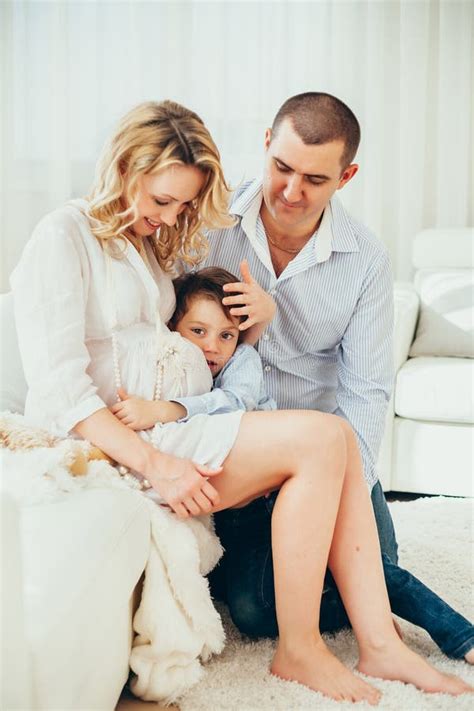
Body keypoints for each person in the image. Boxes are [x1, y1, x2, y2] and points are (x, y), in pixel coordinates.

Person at [10, 100, 470, 703]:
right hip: (131, 440)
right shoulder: (68, 234)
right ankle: (302, 649)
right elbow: (60, 390)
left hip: (185, 427)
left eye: (181, 205)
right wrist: (161, 463)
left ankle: (378, 644)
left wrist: (249, 348)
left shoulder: (148, 242)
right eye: (162, 201)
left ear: (344, 178)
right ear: (124, 168)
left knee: (336, 441)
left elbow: (359, 391)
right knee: (287, 528)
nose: (172, 218)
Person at [203, 92, 474, 664]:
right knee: (255, 613)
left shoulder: (366, 260)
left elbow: (367, 393)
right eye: (282, 168)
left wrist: (335, 493)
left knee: (371, 568)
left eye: (315, 179)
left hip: (331, 449)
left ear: (346, 176)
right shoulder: (208, 223)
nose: (291, 192)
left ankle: (435, 623)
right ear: (266, 146)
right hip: (240, 447)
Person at [109, 266, 276, 432]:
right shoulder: (170, 357)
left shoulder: (242, 358)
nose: (212, 347)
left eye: (226, 335)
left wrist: (165, 410)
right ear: (172, 328)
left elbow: (237, 403)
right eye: (198, 331)